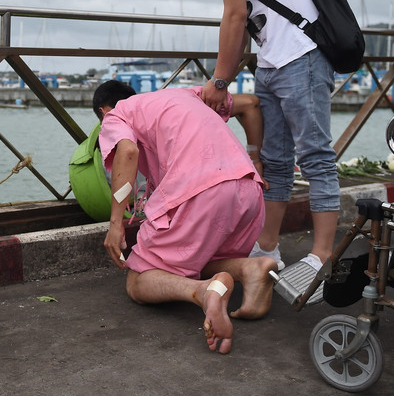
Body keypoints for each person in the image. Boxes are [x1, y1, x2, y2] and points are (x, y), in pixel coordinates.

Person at [163, 0, 340, 303]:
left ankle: (322, 257)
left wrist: (220, 82)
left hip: (302, 58)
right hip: (272, 64)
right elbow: (243, 24)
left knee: (315, 156)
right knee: (276, 161)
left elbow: (234, 16)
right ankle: (267, 247)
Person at [93, 80, 277, 354]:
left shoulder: (116, 115)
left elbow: (128, 151)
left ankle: (205, 292)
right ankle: (250, 269)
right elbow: (251, 104)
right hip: (248, 189)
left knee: (138, 280)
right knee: (195, 256)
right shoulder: (187, 93)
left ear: (102, 111)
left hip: (201, 193)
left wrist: (116, 224)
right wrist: (255, 156)